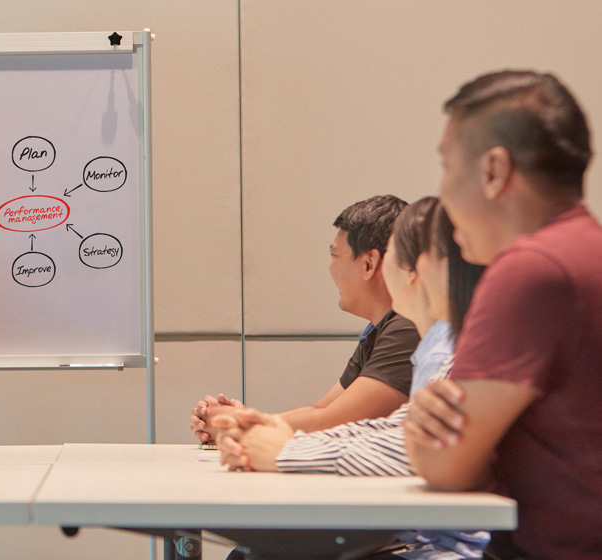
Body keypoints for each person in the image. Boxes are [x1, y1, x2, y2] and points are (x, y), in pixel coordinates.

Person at [217, 201, 488, 559]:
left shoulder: (443, 347)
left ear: (416, 268)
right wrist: (267, 431)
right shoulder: (437, 348)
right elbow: (388, 430)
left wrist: (284, 449)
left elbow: (406, 448)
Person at [406, 70, 602, 560]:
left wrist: (424, 430)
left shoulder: (530, 270)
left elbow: (447, 466)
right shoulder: (584, 251)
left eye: (447, 167)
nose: (443, 194)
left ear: (493, 170)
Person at [192, 195, 419, 438]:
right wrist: (246, 419)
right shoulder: (382, 329)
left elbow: (334, 421)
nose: (330, 267)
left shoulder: (407, 329)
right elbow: (320, 409)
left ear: (369, 264)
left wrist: (239, 425)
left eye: (334, 255)